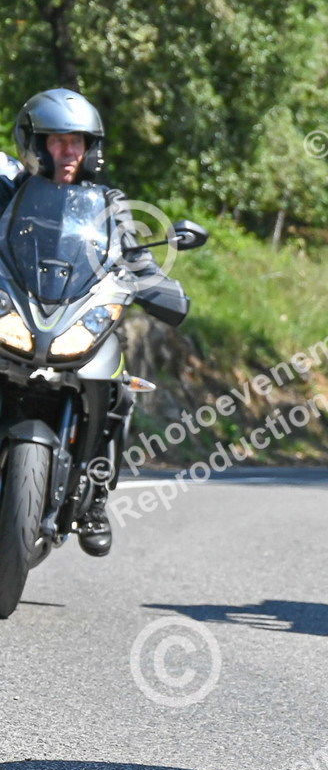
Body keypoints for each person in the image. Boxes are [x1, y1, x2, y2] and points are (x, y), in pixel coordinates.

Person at [1, 88, 182, 556]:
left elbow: (136, 257)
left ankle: (96, 495)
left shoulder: (108, 203)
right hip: (18, 307)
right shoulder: (9, 187)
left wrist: (156, 285)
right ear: (35, 144)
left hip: (76, 314)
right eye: (58, 141)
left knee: (116, 382)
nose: (69, 152)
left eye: (77, 142)